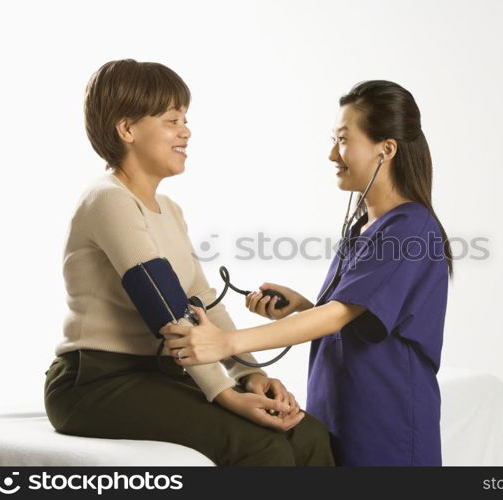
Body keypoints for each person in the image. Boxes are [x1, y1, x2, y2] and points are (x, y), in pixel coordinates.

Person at [43, 59, 335, 466]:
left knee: (307, 434)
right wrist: (225, 393)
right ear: (126, 130)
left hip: (160, 375)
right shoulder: (108, 199)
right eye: (171, 119)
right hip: (95, 382)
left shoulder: (170, 209)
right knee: (262, 444)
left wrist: (250, 374)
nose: (186, 130)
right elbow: (166, 307)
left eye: (185, 118)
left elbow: (203, 300)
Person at [161, 80, 452, 466]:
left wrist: (226, 344)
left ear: (387, 149)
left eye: (344, 140)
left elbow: (338, 315)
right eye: (333, 139)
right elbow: (360, 317)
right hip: (342, 417)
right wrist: (302, 306)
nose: (333, 153)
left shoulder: (410, 229)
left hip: (388, 427)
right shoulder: (364, 227)